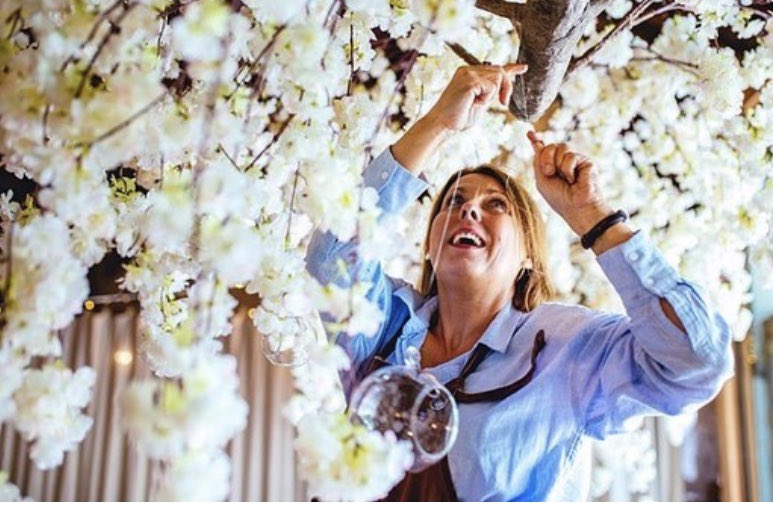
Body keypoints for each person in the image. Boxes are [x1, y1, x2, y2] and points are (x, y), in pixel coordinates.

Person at [306, 64, 734, 501]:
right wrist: (438, 122)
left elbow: (695, 364)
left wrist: (594, 217)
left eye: (496, 205)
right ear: (431, 247)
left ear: (528, 257)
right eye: (453, 201)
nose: (468, 210)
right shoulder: (384, 327)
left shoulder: (565, 349)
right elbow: (330, 257)